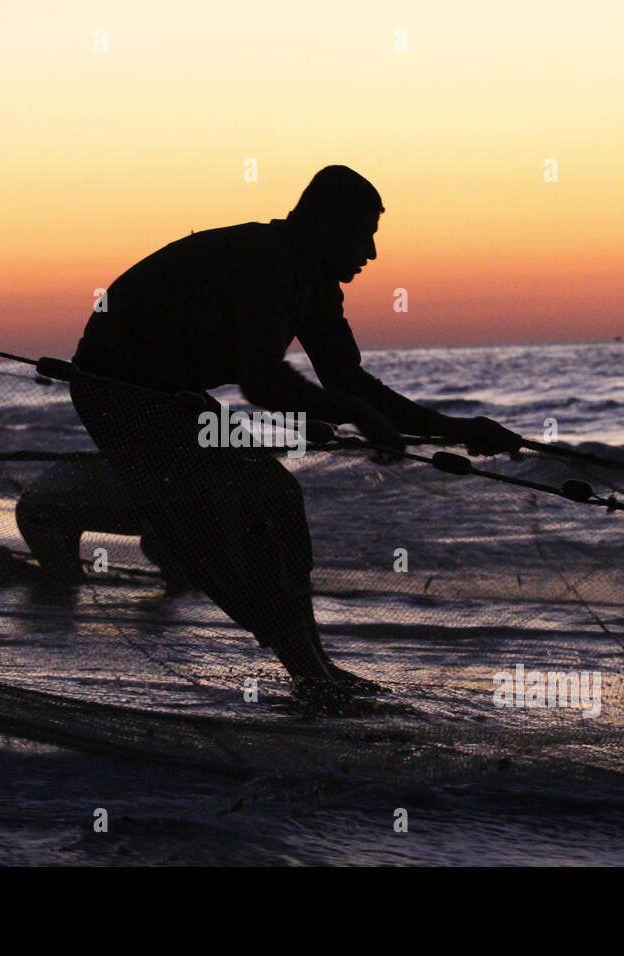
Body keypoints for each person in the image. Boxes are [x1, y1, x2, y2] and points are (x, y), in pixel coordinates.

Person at [66, 165, 520, 713]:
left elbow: (348, 381)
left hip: (175, 393)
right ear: (324, 226)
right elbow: (262, 381)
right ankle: (307, 668)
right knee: (239, 516)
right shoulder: (269, 264)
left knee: (277, 500)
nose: (372, 253)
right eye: (365, 233)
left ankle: (313, 662)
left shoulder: (315, 283)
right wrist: (352, 413)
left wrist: (457, 428)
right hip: (118, 390)